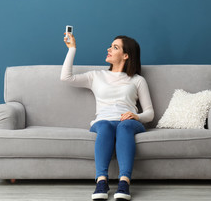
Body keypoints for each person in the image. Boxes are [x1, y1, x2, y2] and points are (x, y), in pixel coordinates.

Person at [60, 32, 154, 201]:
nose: (109, 49)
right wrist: (72, 48)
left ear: (126, 55)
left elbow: (150, 113)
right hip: (103, 121)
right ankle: (101, 181)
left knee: (124, 126)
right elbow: (66, 78)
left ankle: (124, 182)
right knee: (104, 126)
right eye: (111, 46)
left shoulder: (138, 80)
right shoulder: (96, 76)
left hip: (129, 121)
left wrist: (136, 116)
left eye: (115, 47)